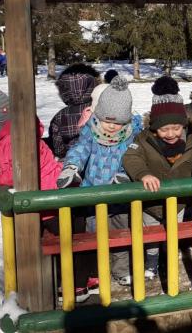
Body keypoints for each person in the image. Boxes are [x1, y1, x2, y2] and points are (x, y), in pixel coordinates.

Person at [0, 75, 94, 300]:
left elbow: (18, 172)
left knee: (65, 242)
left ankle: (76, 284)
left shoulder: (11, 142)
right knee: (71, 238)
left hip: (47, 198)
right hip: (51, 191)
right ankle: (82, 276)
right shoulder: (17, 134)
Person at [122, 76, 192, 282]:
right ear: (154, 128)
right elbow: (131, 157)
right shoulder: (144, 140)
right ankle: (151, 263)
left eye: (176, 128)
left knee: (173, 234)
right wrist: (143, 174)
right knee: (150, 236)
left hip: (178, 202)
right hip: (151, 201)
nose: (171, 134)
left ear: (183, 125)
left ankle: (169, 262)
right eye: (164, 129)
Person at [57, 75, 142, 286]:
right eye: (107, 120)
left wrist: (124, 174)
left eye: (118, 122)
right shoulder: (91, 132)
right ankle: (96, 270)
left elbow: (134, 158)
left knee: (121, 235)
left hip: (120, 196)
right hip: (93, 194)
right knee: (94, 234)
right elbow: (80, 149)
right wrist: (72, 166)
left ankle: (121, 270)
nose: (111, 126)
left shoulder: (131, 135)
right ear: (99, 115)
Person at [48, 63, 99, 159]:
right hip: (101, 160)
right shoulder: (101, 110)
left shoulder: (59, 117)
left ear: (64, 90)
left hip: (71, 161)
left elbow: (58, 149)